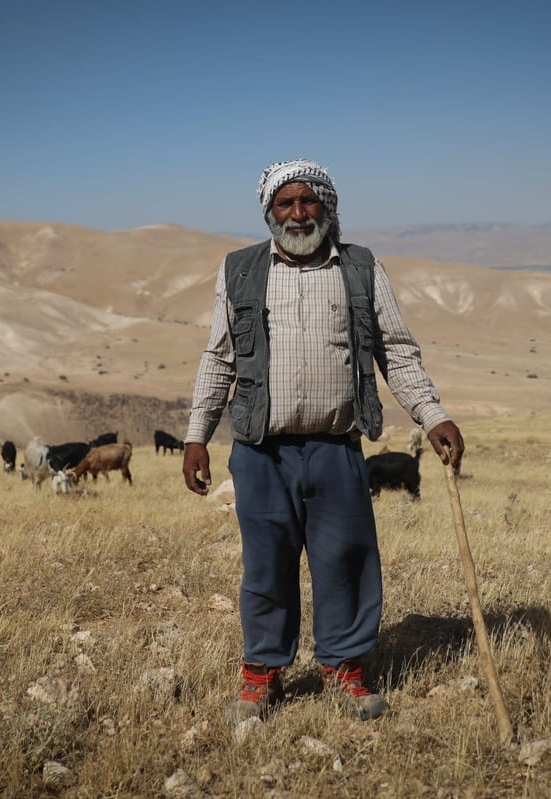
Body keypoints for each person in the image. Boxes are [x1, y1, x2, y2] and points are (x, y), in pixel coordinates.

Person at [182, 158, 464, 725]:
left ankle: (346, 667)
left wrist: (431, 416)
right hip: (262, 451)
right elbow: (219, 357)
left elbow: (397, 351)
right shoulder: (240, 270)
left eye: (308, 201)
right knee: (267, 566)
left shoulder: (360, 268)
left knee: (348, 561)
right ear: (269, 212)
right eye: (284, 204)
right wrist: (196, 435)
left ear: (328, 207)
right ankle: (262, 674)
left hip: (337, 448)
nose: (297, 213)